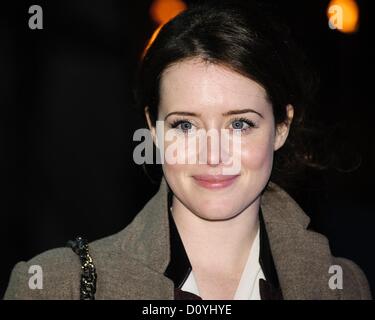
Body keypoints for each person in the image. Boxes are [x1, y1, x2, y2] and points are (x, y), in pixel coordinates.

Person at [4, 1, 371, 300]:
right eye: (185, 124)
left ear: (281, 127)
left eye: (239, 124)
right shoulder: (55, 287)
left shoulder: (341, 285)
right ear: (153, 126)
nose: (212, 154)